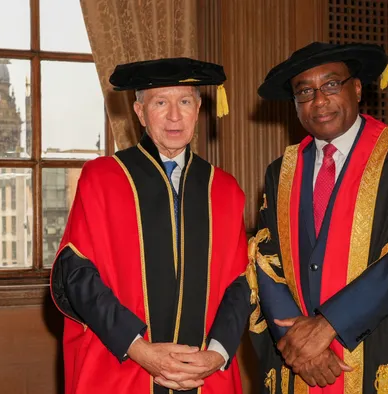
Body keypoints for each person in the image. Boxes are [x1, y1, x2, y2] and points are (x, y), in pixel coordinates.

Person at [247, 42, 388, 394]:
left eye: (331, 84)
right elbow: (265, 261)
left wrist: (327, 325)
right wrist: (297, 342)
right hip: (299, 365)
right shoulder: (281, 171)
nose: (319, 100)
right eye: (304, 91)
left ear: (356, 88)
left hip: (379, 350)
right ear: (295, 104)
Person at [50, 57, 251, 394]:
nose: (175, 115)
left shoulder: (225, 189)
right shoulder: (102, 178)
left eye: (185, 101)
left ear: (198, 108)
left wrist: (217, 354)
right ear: (140, 113)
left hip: (204, 374)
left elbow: (241, 283)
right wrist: (139, 349)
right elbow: (76, 274)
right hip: (124, 367)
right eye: (161, 102)